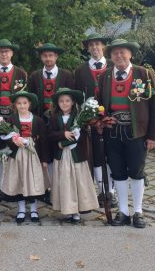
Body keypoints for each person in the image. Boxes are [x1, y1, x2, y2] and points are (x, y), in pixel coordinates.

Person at [97, 39, 155, 228]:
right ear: (110, 57)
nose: (119, 56)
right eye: (115, 53)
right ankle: (123, 211)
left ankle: (138, 211)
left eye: (123, 52)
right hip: (113, 133)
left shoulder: (144, 74)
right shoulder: (105, 76)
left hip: (137, 132)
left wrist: (153, 135)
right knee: (117, 172)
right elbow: (99, 105)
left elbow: (154, 106)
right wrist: (100, 121)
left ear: (130, 54)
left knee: (137, 172)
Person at [27, 42, 75, 203]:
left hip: (60, 122)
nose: (48, 58)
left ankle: (57, 188)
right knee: (43, 153)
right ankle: (45, 188)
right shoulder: (34, 76)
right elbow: (31, 100)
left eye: (51, 55)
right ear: (41, 57)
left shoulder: (67, 75)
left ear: (56, 57)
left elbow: (71, 99)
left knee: (58, 153)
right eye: (45, 56)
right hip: (41, 121)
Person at [74, 33, 117, 208]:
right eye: (91, 45)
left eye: (98, 44)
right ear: (87, 49)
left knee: (112, 156)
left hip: (113, 120)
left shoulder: (114, 66)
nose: (94, 48)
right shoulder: (80, 71)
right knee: (96, 156)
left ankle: (112, 191)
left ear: (103, 47)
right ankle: (100, 191)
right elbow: (77, 98)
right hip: (91, 122)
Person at [0, 39, 27, 201]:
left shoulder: (21, 73)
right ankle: (1, 187)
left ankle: (17, 186)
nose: (4, 54)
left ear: (12, 53)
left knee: (15, 152)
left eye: (7, 51)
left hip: (14, 118)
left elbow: (24, 98)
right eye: (0, 51)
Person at [49, 88, 99, 224]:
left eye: (67, 101)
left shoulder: (79, 117)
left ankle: (77, 211)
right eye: (61, 101)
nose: (64, 103)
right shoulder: (54, 117)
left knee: (77, 181)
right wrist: (62, 135)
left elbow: (82, 135)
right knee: (64, 181)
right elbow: (50, 134)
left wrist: (65, 142)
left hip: (76, 155)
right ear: (57, 103)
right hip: (62, 157)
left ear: (72, 102)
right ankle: (67, 209)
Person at [1, 91, 48, 224]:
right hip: (17, 157)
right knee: (20, 181)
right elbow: (6, 136)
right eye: (19, 103)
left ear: (30, 104)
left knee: (32, 182)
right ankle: (21, 209)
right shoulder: (12, 119)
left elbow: (43, 141)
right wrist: (13, 141)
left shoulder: (38, 120)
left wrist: (44, 159)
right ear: (15, 105)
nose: (22, 106)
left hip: (33, 156)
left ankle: (34, 209)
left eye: (25, 103)